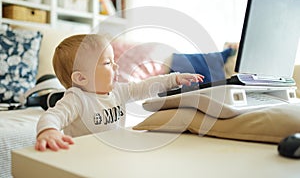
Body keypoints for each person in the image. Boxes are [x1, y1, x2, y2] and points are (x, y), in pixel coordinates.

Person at [35, 34, 204, 151]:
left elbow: (145, 87)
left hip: (113, 151)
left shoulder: (118, 91)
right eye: (108, 63)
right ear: (81, 78)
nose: (116, 66)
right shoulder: (76, 99)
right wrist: (49, 131)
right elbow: (52, 116)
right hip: (84, 155)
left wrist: (173, 80)